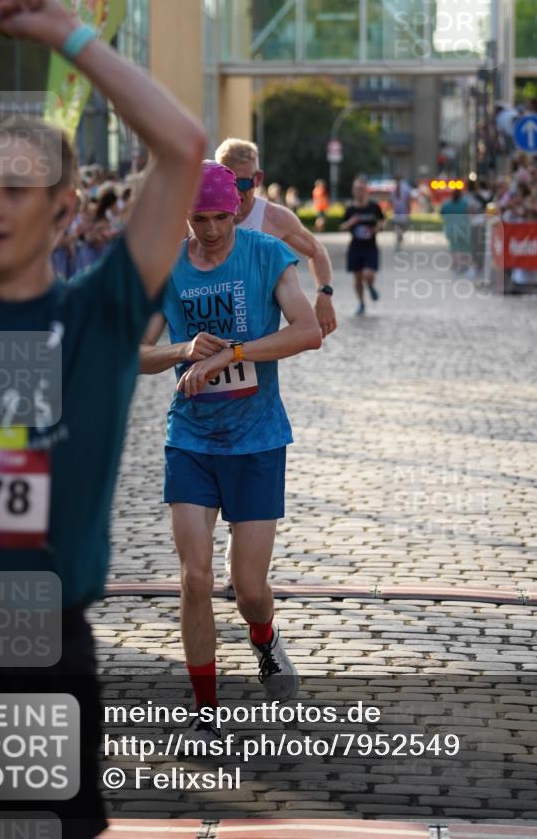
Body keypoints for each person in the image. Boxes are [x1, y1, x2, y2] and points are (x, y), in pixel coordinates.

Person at [0, 0, 206, 838]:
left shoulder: (101, 313)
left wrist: (69, 36)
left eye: (19, 188)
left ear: (65, 207)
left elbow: (184, 149)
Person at [139, 161, 322, 737]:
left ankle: (264, 637)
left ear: (237, 209)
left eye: (221, 216)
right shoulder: (165, 268)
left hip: (258, 439)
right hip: (190, 438)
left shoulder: (266, 253)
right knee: (194, 578)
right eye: (199, 218)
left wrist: (231, 354)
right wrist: (182, 350)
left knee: (249, 590)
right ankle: (205, 706)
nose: (212, 228)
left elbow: (307, 329)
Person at [215, 139, 337, 339]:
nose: (236, 192)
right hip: (209, 330)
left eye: (243, 183)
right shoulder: (199, 218)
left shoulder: (275, 218)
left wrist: (324, 293)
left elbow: (316, 250)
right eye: (228, 182)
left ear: (258, 179)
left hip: (257, 337)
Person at [340, 177, 385, 316]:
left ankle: (371, 286)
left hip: (370, 246)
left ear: (366, 190)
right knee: (357, 278)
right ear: (353, 191)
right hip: (355, 247)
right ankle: (361, 303)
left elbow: (382, 221)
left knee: (368, 274)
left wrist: (377, 228)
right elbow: (342, 227)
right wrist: (351, 222)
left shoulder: (373, 206)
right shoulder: (350, 209)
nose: (359, 191)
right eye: (356, 188)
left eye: (361, 188)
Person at [440, 188, 472, 274]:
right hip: (464, 228)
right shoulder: (465, 204)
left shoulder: (446, 205)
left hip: (451, 229)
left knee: (454, 248)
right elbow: (470, 215)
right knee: (464, 248)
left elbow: (442, 215)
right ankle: (463, 265)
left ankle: (456, 265)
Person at [390, 174, 412, 250]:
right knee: (401, 227)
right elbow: (408, 200)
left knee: (398, 227)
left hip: (398, 211)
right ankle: (399, 239)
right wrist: (409, 209)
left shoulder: (394, 188)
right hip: (402, 211)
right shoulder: (405, 188)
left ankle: (399, 239)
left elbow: (391, 201)